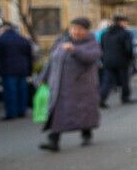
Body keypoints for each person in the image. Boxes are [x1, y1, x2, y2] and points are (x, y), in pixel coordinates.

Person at [40, 17, 101, 151]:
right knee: (58, 113)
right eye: (73, 28)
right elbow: (51, 61)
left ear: (86, 31)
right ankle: (54, 140)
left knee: (83, 112)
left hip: (81, 87)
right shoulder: (61, 41)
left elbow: (92, 56)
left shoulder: (91, 42)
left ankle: (86, 133)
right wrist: (42, 79)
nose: (76, 32)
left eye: (80, 29)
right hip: (59, 87)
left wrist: (74, 50)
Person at [0, 23, 34, 119]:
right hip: (23, 69)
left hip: (8, 70)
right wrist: (29, 70)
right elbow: (30, 56)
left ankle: (11, 113)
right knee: (22, 91)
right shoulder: (23, 39)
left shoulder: (0, 40)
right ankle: (22, 111)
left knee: (10, 92)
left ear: (3, 30)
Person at [98, 15, 135, 107]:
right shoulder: (125, 33)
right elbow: (129, 48)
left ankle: (101, 99)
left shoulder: (105, 34)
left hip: (107, 61)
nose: (126, 24)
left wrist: (103, 59)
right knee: (124, 80)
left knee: (107, 81)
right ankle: (125, 97)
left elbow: (101, 48)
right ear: (121, 22)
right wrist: (130, 58)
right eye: (125, 22)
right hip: (122, 61)